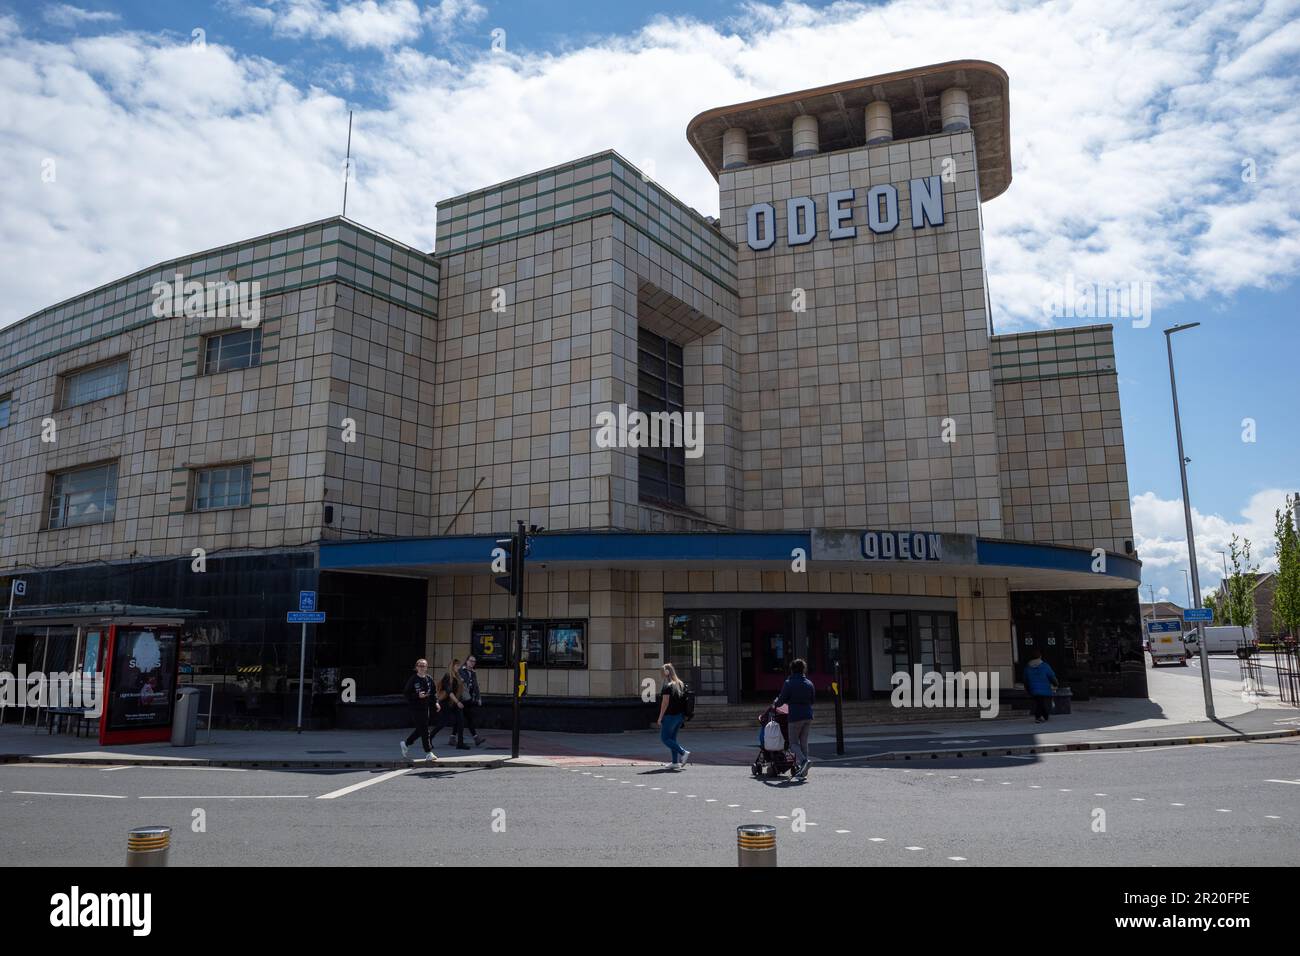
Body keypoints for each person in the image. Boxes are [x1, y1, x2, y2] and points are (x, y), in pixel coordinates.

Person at [774, 658, 815, 778]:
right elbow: (812, 700)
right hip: (808, 715)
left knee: (793, 744)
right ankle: (804, 771)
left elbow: (781, 700)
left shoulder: (789, 683)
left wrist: (776, 703)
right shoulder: (809, 683)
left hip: (795, 717)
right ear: (803, 669)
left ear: (792, 670)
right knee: (804, 743)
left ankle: (804, 762)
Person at [400, 659, 438, 761]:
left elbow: (433, 692)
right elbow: (406, 694)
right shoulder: (413, 679)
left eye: (424, 666)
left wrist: (436, 703)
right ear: (416, 667)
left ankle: (406, 743)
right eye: (420, 666)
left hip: (426, 708)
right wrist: (417, 696)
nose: (422, 668)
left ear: (426, 668)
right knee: (425, 730)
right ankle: (428, 752)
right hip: (416, 708)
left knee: (420, 730)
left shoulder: (429, 679)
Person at [655, 663, 691, 770]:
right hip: (680, 716)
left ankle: (683, 752)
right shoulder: (681, 684)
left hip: (670, 716)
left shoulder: (667, 686)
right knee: (672, 739)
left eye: (662, 672)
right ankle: (675, 762)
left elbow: (665, 703)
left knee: (665, 738)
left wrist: (660, 717)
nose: (661, 674)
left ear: (666, 672)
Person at [431, 659, 470, 750]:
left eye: (459, 665)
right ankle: (429, 738)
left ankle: (460, 743)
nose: (458, 667)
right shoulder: (448, 676)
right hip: (447, 703)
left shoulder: (458, 676)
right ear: (452, 666)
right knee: (442, 723)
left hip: (456, 703)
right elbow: (449, 692)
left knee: (461, 722)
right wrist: (458, 702)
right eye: (456, 665)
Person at [457, 656, 486, 747]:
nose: (472, 663)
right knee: (467, 718)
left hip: (468, 699)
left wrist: (479, 698)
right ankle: (476, 738)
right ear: (467, 661)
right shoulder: (461, 671)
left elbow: (476, 686)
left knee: (463, 718)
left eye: (474, 661)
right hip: (461, 698)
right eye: (471, 661)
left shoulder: (473, 673)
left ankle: (453, 737)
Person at [1023, 650, 1059, 723]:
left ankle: (1044, 716)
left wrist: (1027, 688)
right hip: (1044, 688)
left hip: (1032, 688)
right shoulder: (1045, 666)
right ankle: (1039, 716)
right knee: (1040, 702)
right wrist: (1056, 683)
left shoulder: (1027, 667)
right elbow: (1051, 676)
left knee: (1039, 701)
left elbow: (1025, 679)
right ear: (1040, 657)